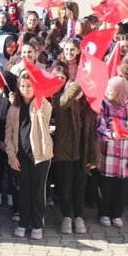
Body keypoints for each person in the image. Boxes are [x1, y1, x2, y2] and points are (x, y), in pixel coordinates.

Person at [5, 73, 54, 240]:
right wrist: (11, 155)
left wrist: (40, 95)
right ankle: (23, 222)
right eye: (23, 86)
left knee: (38, 190)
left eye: (29, 86)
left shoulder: (42, 105)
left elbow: (46, 112)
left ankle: (37, 224)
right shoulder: (13, 108)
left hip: (40, 156)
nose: (26, 89)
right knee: (23, 191)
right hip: (21, 156)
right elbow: (9, 134)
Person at [51, 70, 99, 235]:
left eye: (81, 90)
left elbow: (92, 134)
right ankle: (67, 216)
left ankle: (78, 216)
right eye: (75, 90)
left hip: (82, 155)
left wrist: (93, 157)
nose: (78, 92)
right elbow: (66, 100)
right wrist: (80, 79)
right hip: (64, 155)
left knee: (79, 188)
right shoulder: (60, 102)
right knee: (65, 188)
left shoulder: (88, 108)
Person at [95, 76, 128, 228]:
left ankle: (117, 214)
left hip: (125, 156)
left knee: (121, 187)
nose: (109, 90)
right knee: (106, 186)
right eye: (108, 87)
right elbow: (98, 126)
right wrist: (111, 134)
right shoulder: (103, 104)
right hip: (106, 155)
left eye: (112, 88)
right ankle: (104, 213)